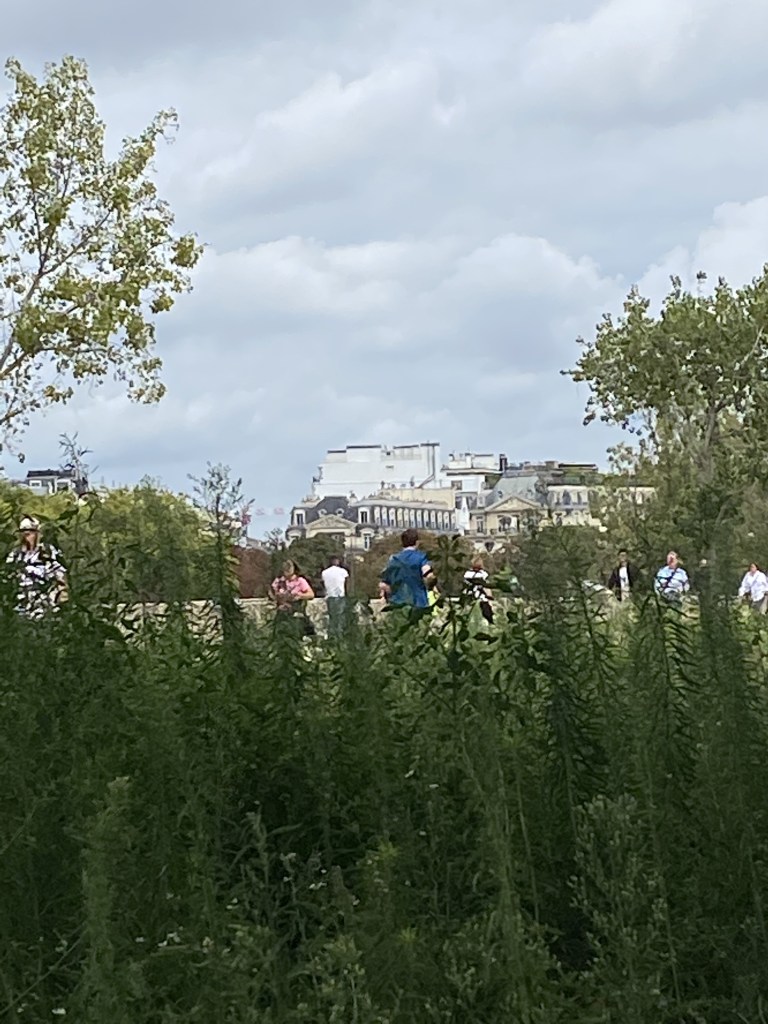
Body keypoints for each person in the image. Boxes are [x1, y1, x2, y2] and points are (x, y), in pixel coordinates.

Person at [6, 515, 68, 619]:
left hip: (43, 601)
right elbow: (7, 574)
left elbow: (60, 575)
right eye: (23, 533)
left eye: (29, 532)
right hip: (20, 602)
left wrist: (60, 599)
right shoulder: (16, 554)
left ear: (37, 533)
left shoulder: (48, 551)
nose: (26, 536)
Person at [379, 529, 433, 613]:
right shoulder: (421, 557)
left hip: (398, 605)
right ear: (417, 542)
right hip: (419, 603)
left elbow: (383, 584)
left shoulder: (393, 559)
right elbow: (428, 575)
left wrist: (393, 592)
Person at [271, 559, 315, 634]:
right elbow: (272, 593)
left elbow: (311, 594)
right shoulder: (279, 581)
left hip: (296, 610)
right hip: (282, 611)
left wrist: (300, 596)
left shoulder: (300, 581)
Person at [321, 555, 349, 636]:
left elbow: (323, 584)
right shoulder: (343, 571)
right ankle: (340, 635)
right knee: (340, 617)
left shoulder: (325, 572)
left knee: (332, 617)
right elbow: (347, 583)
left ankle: (332, 635)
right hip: (340, 595)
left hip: (330, 596)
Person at [462, 556, 494, 624]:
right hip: (479, 596)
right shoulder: (483, 574)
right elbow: (486, 586)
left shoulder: (467, 573)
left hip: (470, 594)